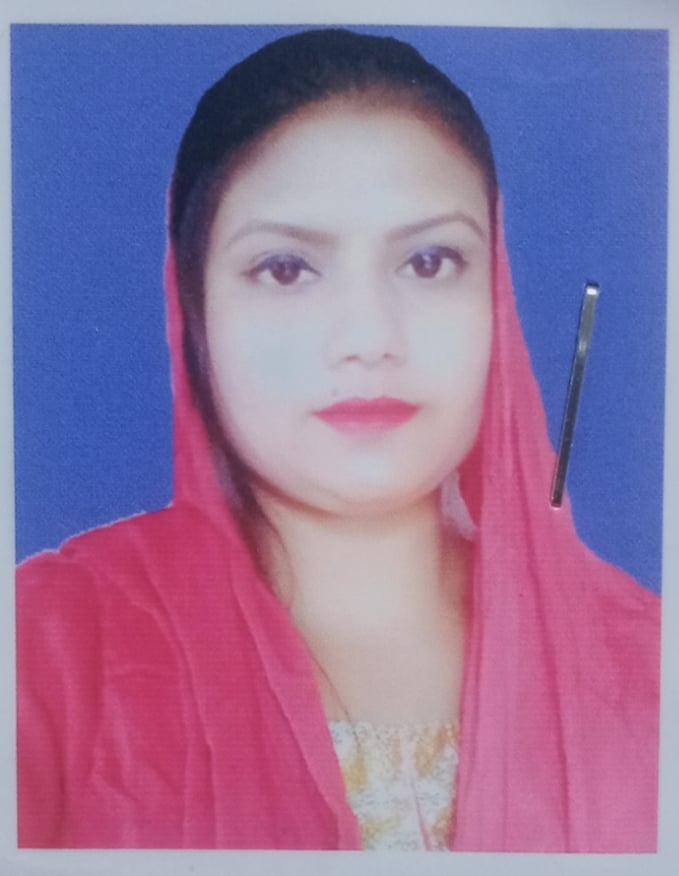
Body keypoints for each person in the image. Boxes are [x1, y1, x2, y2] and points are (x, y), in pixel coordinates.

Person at [16, 28, 660, 851]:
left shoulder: (647, 666)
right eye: (285, 269)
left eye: (429, 262)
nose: (368, 338)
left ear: (495, 296)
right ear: (195, 313)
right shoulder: (46, 654)